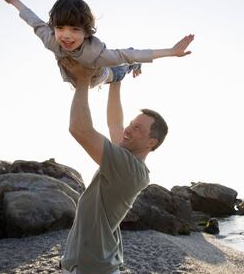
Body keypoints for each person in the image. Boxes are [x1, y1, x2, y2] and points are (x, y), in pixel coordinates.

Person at [58, 57, 169, 274]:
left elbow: (79, 128)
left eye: (137, 128)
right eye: (131, 123)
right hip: (95, 264)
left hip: (92, 268)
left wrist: (82, 81)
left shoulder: (128, 168)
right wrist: (117, 78)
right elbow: (115, 123)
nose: (128, 129)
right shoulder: (129, 159)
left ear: (151, 143)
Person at [0, 0, 194, 87]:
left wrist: (170, 51)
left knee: (122, 67)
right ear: (54, 28)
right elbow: (33, 20)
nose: (66, 36)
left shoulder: (97, 53)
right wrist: (15, 1)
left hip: (102, 75)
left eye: (75, 30)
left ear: (86, 32)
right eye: (61, 28)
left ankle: (134, 67)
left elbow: (128, 55)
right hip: (74, 75)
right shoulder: (50, 38)